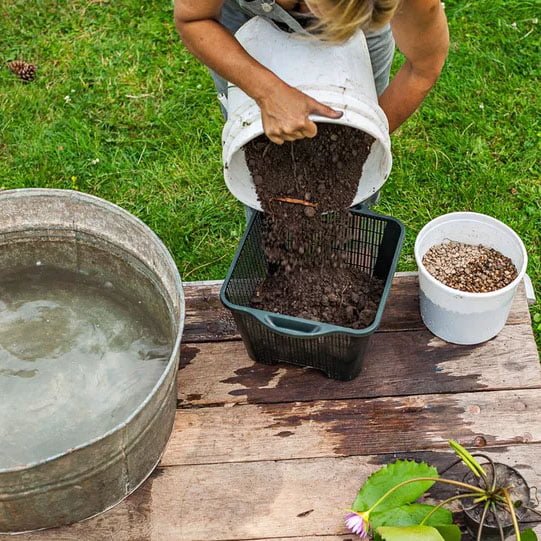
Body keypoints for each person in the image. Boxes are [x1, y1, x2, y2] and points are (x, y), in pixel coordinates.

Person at [174, 0, 449, 145]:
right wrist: (267, 92)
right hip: (244, 13)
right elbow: (194, 18)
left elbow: (423, 68)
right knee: (252, 129)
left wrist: (362, 142)